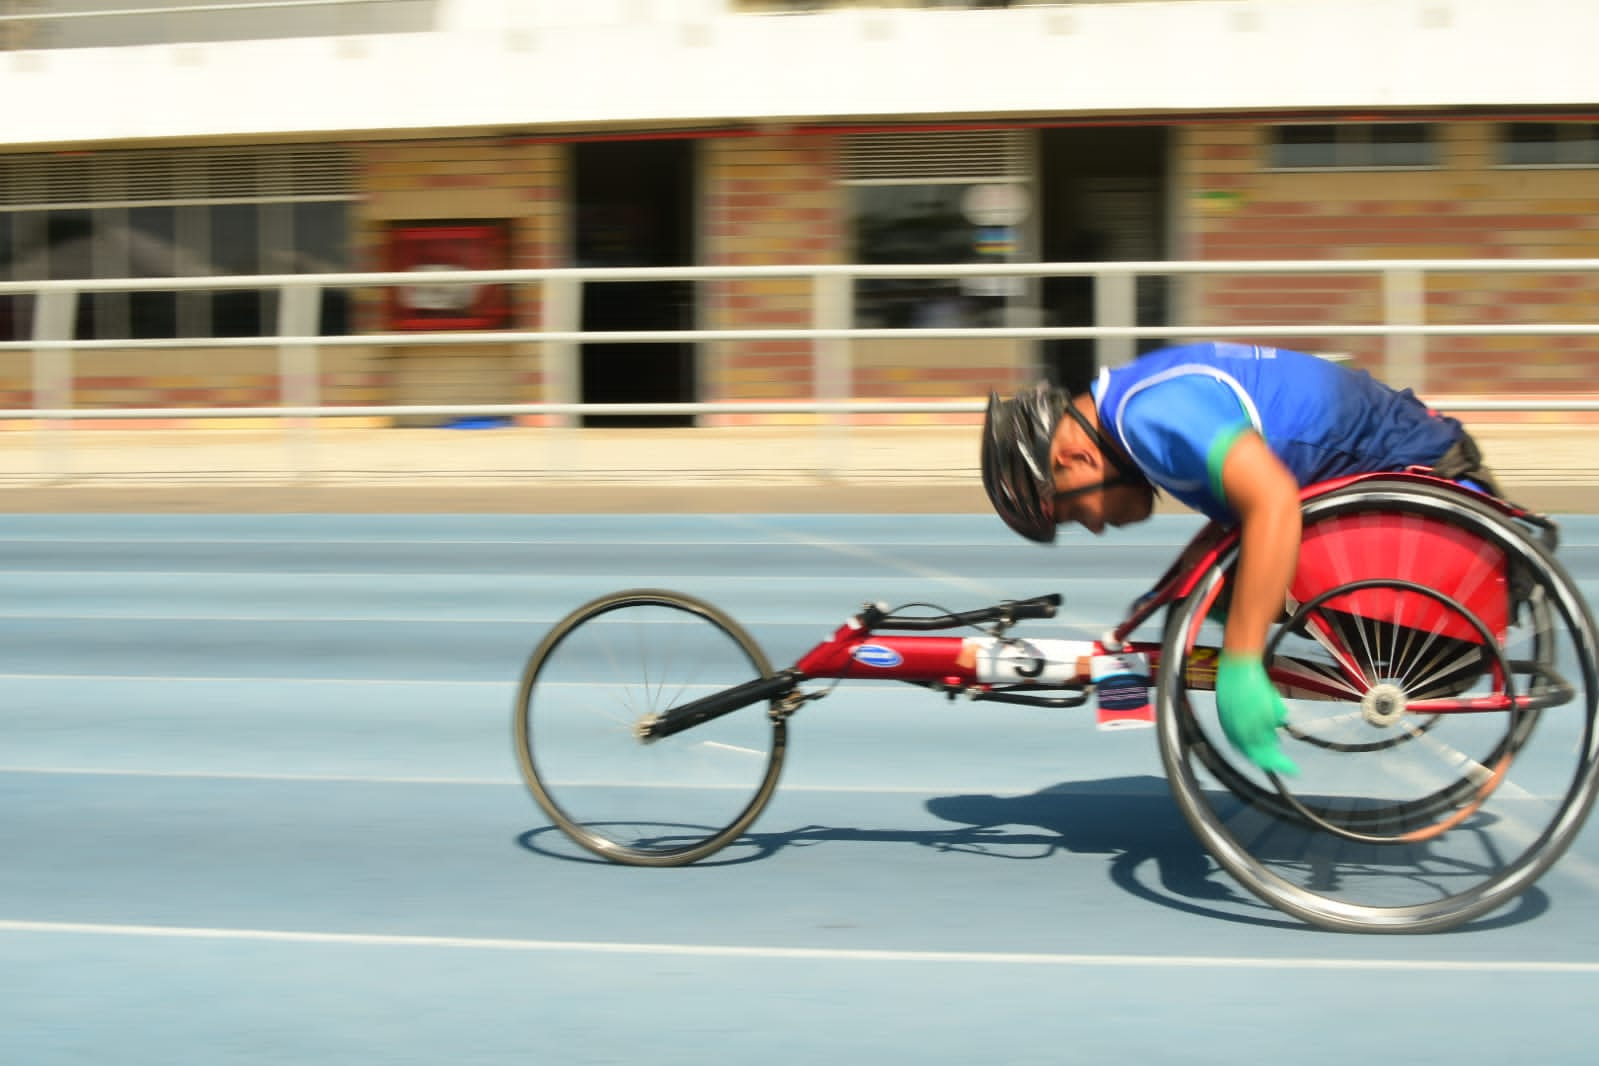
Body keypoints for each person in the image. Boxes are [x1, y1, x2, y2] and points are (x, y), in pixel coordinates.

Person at [980, 340, 1500, 775]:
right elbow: (1243, 501)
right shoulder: (1134, 402)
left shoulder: (1148, 418)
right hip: (1402, 476)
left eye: (1074, 512)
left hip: (1430, 491)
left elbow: (1272, 501)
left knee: (1242, 593)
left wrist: (1242, 661)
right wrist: (1181, 581)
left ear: (1077, 457)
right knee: (1217, 591)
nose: (1093, 527)